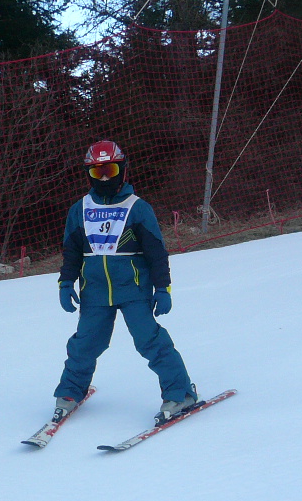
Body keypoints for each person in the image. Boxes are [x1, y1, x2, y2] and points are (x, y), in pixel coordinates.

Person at [52, 140, 198, 426]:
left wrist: (163, 288)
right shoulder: (79, 209)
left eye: (110, 170)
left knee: (150, 341)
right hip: (94, 292)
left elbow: (156, 252)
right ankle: (70, 392)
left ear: (122, 170)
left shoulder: (138, 208)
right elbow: (72, 252)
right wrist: (66, 282)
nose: (105, 178)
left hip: (134, 289)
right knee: (85, 344)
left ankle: (180, 393)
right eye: (97, 172)